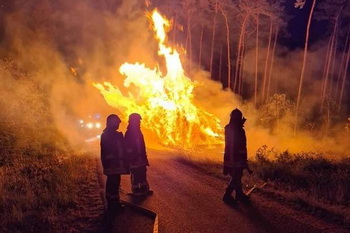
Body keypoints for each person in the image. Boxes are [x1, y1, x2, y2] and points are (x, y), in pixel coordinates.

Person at [223, 108, 252, 204]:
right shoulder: (239, 130)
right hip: (237, 159)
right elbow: (241, 146)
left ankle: (239, 195)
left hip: (229, 157)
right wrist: (244, 160)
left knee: (237, 177)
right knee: (236, 177)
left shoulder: (228, 128)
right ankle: (227, 195)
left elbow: (229, 144)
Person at [100, 114, 129, 212]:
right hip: (113, 165)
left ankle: (111, 204)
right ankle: (114, 206)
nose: (118, 125)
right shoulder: (112, 135)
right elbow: (117, 149)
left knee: (112, 185)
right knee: (114, 185)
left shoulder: (106, 134)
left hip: (110, 165)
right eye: (117, 123)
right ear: (112, 123)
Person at [124, 113, 152, 196]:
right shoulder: (129, 132)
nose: (139, 122)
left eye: (139, 121)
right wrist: (132, 156)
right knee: (135, 174)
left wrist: (143, 155)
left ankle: (144, 189)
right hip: (134, 158)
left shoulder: (138, 131)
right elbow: (127, 146)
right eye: (137, 121)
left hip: (141, 157)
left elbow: (141, 145)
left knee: (142, 173)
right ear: (132, 121)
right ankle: (136, 190)